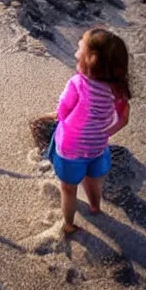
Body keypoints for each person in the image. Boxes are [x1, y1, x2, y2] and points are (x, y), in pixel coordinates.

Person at [47, 28, 131, 234]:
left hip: (70, 148)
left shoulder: (77, 83)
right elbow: (123, 119)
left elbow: (63, 111)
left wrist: (61, 118)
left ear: (90, 61)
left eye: (80, 48)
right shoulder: (118, 89)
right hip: (97, 147)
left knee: (68, 188)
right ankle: (95, 206)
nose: (76, 49)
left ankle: (68, 223)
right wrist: (106, 132)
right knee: (93, 181)